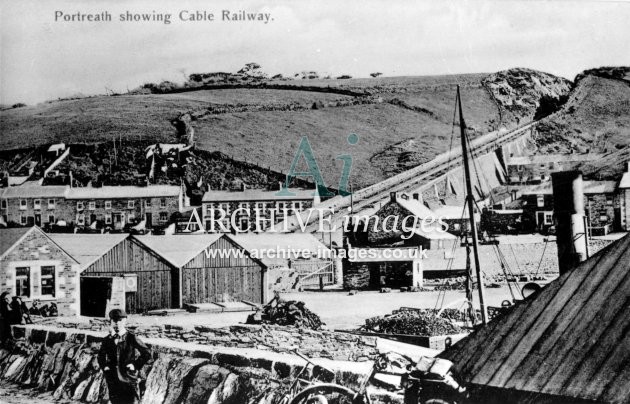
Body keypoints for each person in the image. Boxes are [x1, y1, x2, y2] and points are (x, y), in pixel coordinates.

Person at [98, 309, 150, 404]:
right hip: (113, 378)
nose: (117, 323)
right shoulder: (107, 340)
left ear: (125, 321)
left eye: (120, 320)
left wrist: (135, 365)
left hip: (128, 378)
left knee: (131, 401)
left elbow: (147, 353)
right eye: (114, 321)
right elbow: (100, 356)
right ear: (111, 322)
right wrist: (105, 367)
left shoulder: (131, 337)